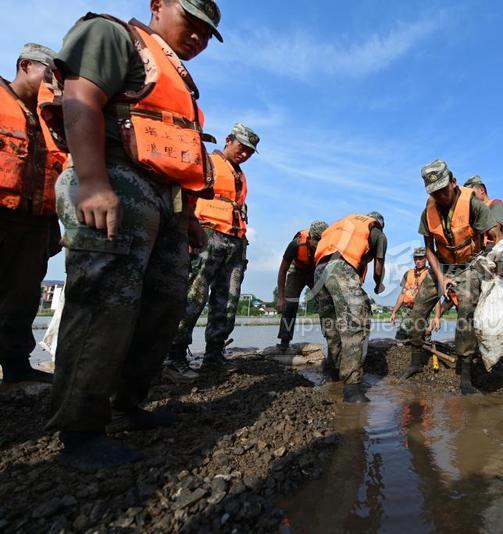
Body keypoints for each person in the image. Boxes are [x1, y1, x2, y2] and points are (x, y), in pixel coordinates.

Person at [47, 0, 223, 471]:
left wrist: (186, 219)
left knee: (161, 306)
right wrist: (93, 181)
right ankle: (80, 428)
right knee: (105, 302)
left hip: (164, 204)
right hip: (114, 182)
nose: (199, 38)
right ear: (159, 5)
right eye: (193, 24)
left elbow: (180, 158)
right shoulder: (113, 35)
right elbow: (80, 98)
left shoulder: (181, 81)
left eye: (208, 34)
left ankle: (127, 404)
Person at [165, 122, 259, 381]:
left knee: (227, 301)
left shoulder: (239, 174)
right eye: (242, 147)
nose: (245, 154)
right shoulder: (206, 162)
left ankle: (214, 356)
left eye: (250, 151)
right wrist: (183, 229)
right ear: (229, 140)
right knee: (194, 297)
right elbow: (182, 194)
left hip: (235, 241)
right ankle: (174, 356)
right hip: (206, 235)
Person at [402, 160, 501, 394]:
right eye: (434, 193)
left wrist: (483, 264)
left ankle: (465, 375)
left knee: (466, 311)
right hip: (442, 266)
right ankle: (416, 361)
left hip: (468, 264)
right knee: (417, 311)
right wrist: (440, 278)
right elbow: (428, 250)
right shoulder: (427, 212)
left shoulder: (474, 204)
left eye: (443, 190)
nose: (440, 196)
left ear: (453, 182)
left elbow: (494, 235)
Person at [0, 43, 66, 384]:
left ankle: (16, 366)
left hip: (37, 222)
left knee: (24, 297)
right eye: (50, 74)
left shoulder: (51, 119)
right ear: (26, 65)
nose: (56, 83)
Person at [314, 212, 387, 403]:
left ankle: (333, 373)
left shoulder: (346, 223)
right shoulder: (377, 232)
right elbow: (378, 267)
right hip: (340, 269)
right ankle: (352, 388)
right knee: (355, 325)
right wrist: (379, 284)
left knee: (332, 328)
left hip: (319, 270)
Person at [276, 220, 329, 351]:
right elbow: (283, 270)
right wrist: (281, 298)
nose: (317, 245)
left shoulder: (328, 246)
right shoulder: (295, 245)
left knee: (325, 303)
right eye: (315, 241)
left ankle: (331, 339)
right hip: (297, 270)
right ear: (310, 237)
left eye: (320, 242)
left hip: (315, 272)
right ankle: (284, 341)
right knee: (290, 303)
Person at [389, 247, 431, 341]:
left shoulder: (430, 274)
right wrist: (394, 312)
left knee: (423, 336)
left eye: (420, 258)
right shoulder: (408, 274)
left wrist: (436, 317)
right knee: (401, 335)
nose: (418, 261)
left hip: (422, 310)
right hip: (407, 309)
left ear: (426, 258)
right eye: (416, 258)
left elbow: (436, 299)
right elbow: (402, 294)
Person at [462, 175, 503, 242]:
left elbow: (494, 231)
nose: (469, 197)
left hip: (490, 249)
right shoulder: (472, 210)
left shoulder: (496, 204)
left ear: (481, 190)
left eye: (471, 193)